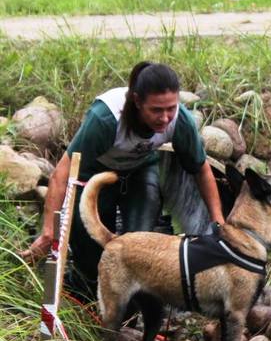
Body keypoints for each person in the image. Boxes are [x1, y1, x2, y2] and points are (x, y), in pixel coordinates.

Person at [22, 61, 225, 301]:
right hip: (94, 176)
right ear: (137, 102)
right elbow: (61, 174)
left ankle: (132, 310)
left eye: (170, 108)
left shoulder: (180, 121)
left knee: (137, 247)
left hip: (140, 172)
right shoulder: (106, 118)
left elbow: (201, 170)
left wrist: (218, 221)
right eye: (156, 110)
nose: (165, 118)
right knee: (92, 254)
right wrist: (48, 231)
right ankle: (81, 291)